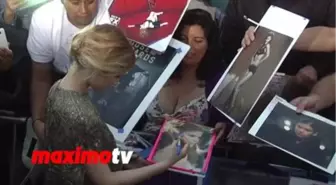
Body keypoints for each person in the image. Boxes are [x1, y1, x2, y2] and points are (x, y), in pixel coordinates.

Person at [43, 24, 188, 185]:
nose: (116, 83)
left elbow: (83, 151)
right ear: (99, 69)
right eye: (117, 76)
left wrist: (124, 158)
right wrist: (166, 163)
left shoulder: (57, 88)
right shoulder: (82, 117)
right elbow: (107, 180)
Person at [27, 0, 112, 141]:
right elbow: (41, 77)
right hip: (59, 78)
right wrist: (38, 122)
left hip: (105, 81)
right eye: (75, 2)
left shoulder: (114, 12)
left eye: (91, 2)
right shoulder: (44, 19)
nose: (84, 10)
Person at [221, 0, 336, 88]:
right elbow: (229, 42)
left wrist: (317, 68)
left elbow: (331, 37)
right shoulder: (243, 3)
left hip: (310, 86)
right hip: (249, 82)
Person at [257, 116, 334, 168]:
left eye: (307, 130)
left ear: (315, 133)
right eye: (299, 126)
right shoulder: (284, 136)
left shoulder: (317, 151)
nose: (301, 131)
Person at [228, 32, 273, 109]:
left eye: (269, 38)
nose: (267, 39)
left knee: (238, 85)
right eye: (267, 37)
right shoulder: (262, 45)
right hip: (250, 65)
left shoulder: (267, 46)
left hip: (254, 68)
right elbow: (255, 54)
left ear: (270, 39)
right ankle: (234, 104)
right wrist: (252, 60)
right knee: (238, 86)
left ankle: (231, 105)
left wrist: (259, 61)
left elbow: (267, 55)